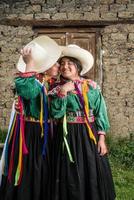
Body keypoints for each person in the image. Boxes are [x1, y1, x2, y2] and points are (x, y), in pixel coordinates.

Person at [49, 44, 116, 200]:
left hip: (89, 134)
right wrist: (64, 91)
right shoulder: (56, 89)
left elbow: (100, 112)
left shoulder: (91, 87)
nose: (65, 67)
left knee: (91, 167)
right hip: (67, 135)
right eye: (63, 63)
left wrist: (101, 138)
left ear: (78, 67)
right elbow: (56, 113)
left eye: (69, 63)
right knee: (69, 170)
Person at [0, 35, 61, 200]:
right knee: (31, 167)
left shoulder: (50, 83)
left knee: (43, 167)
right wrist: (30, 63)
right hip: (30, 133)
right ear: (45, 67)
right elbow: (29, 92)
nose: (58, 65)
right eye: (54, 63)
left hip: (45, 132)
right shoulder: (27, 80)